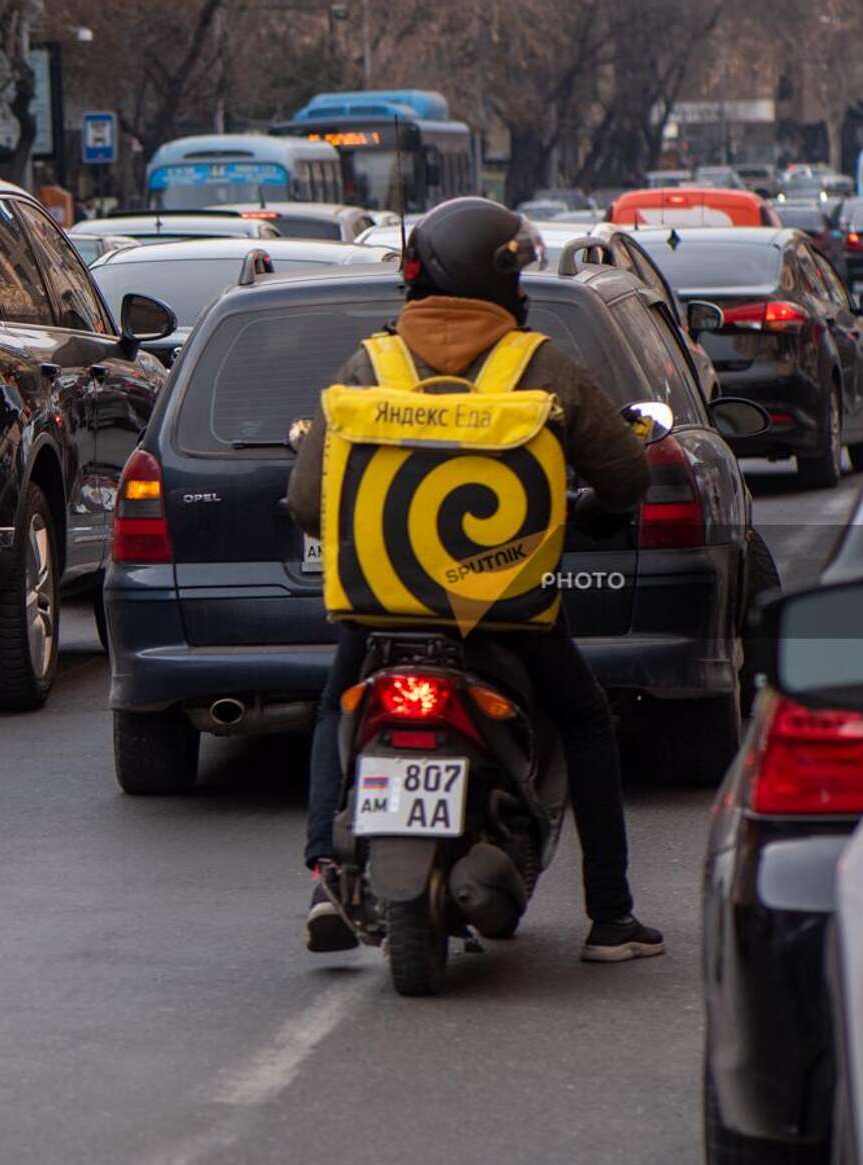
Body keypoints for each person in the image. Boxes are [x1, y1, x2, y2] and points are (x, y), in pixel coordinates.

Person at [284, 196, 667, 964]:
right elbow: (625, 475)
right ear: (500, 286)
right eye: (519, 276)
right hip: (509, 613)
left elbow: (305, 502)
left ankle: (327, 877)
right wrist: (591, 512)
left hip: (380, 617)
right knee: (588, 723)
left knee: (333, 706)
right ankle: (611, 917)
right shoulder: (543, 364)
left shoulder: (371, 363)